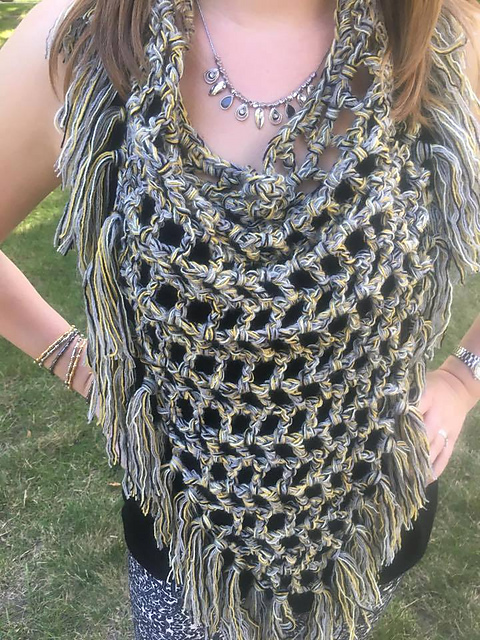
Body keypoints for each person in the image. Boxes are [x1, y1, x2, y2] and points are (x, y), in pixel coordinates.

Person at [1, 0, 480, 638]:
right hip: (184, 546)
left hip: (369, 527)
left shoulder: (444, 36)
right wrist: (75, 359)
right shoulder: (78, 42)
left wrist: (463, 377)